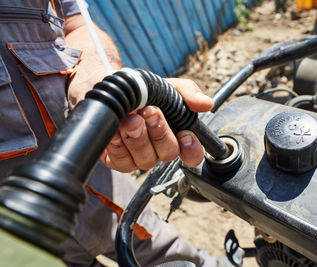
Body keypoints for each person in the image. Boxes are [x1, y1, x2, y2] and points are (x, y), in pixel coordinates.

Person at [0, 0, 217, 266]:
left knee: (165, 252)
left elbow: (78, 23)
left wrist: (94, 75)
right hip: (13, 242)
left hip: (100, 169)